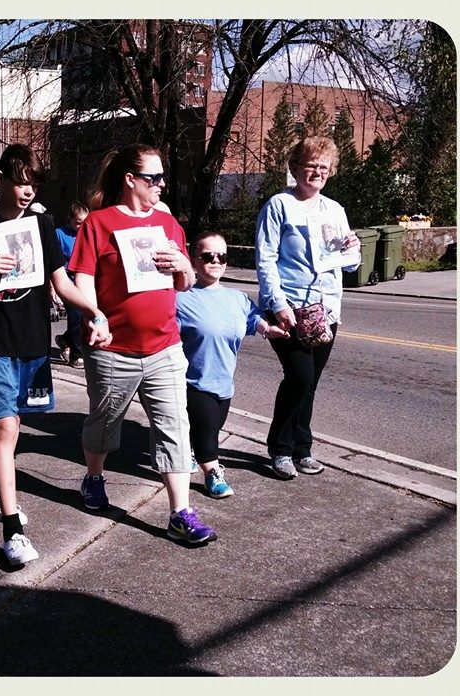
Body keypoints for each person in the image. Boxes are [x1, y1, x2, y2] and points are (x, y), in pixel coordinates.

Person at [0, 143, 112, 567]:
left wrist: (92, 308)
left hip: (33, 340)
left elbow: (62, 280)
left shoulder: (43, 226)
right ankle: (12, 530)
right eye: (20, 182)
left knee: (16, 426)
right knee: (4, 427)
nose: (27, 191)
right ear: (0, 177)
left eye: (33, 184)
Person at [68, 143, 218, 546]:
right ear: (130, 180)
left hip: (165, 348)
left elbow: (184, 283)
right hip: (113, 350)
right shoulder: (99, 223)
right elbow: (82, 276)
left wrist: (186, 267)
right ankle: (94, 477)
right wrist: (93, 316)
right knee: (103, 424)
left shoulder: (170, 225)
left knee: (174, 429)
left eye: (162, 177)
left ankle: (180, 513)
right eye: (153, 178)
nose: (161, 184)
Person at [255, 136, 361, 479]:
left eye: (324, 167)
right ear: (296, 168)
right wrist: (277, 303)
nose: (317, 172)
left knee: (310, 382)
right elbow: (266, 259)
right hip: (290, 305)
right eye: (311, 165)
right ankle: (280, 449)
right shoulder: (278, 206)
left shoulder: (335, 210)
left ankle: (302, 449)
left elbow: (347, 264)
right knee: (299, 378)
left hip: (326, 309)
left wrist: (353, 248)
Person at [176, 232, 288, 499]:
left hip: (224, 382)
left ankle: (190, 451)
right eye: (207, 256)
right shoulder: (180, 299)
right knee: (208, 436)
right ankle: (212, 474)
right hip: (193, 380)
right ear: (193, 261)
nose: (216, 260)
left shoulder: (237, 298)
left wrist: (268, 329)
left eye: (221, 256)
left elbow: (253, 318)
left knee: (213, 426)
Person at [51, 202, 89, 368]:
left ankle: (65, 339)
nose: (81, 226)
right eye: (79, 222)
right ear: (70, 219)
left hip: (84, 281)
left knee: (84, 318)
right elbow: (53, 263)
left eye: (84, 222)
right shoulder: (59, 234)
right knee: (75, 317)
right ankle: (76, 354)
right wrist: (53, 289)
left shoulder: (86, 234)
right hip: (67, 282)